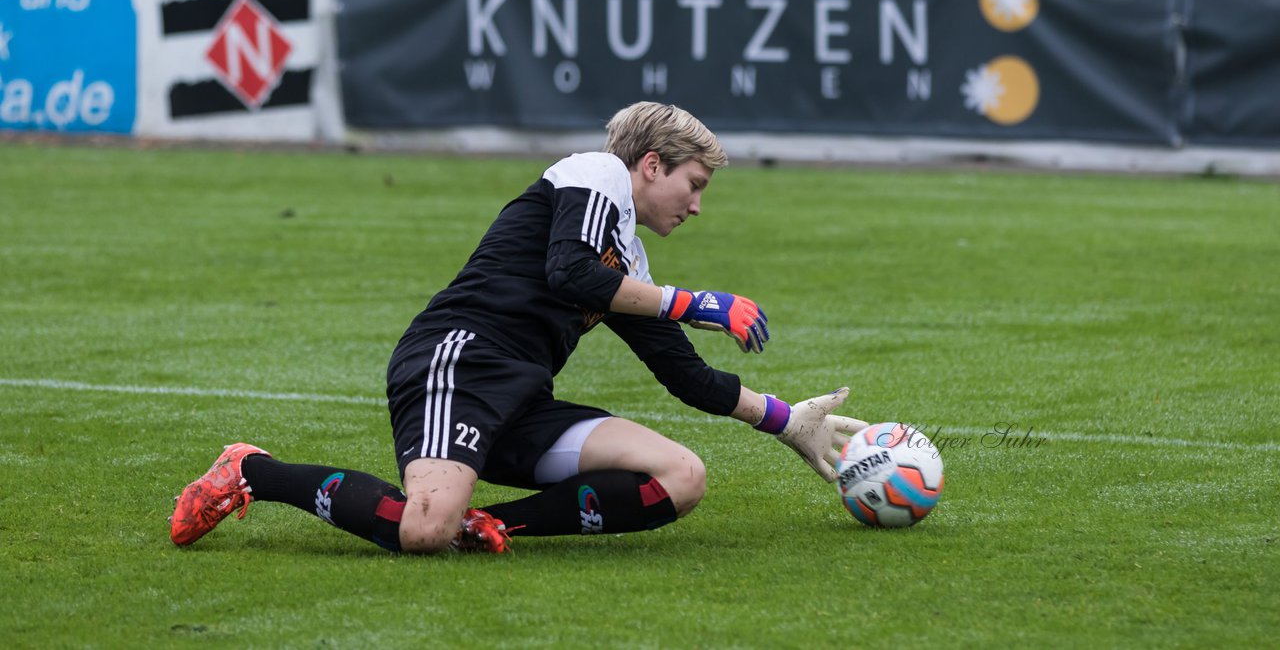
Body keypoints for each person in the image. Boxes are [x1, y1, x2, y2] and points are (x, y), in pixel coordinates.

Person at [169, 101, 867, 554]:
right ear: (650, 166)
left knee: (681, 477)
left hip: (522, 397)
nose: (696, 206)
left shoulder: (631, 260)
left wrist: (781, 419)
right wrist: (698, 302)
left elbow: (684, 375)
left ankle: (493, 525)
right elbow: (569, 273)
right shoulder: (595, 174)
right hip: (458, 363)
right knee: (421, 530)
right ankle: (251, 470)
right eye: (695, 184)